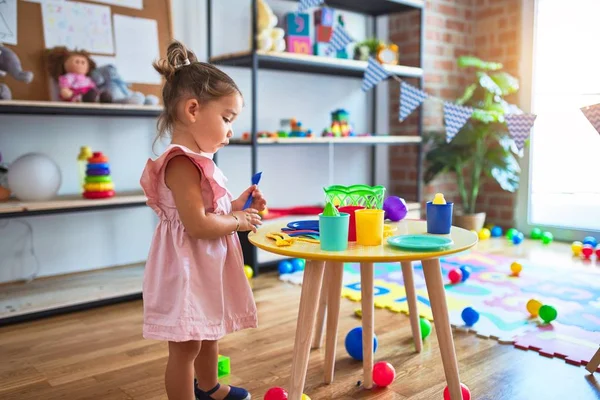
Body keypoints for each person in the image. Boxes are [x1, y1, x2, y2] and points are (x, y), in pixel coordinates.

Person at [140, 40, 266, 400]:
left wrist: (239, 205)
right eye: (227, 119)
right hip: (185, 269)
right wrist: (238, 221)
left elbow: (213, 211)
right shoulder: (180, 163)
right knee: (185, 347)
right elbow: (197, 224)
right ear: (193, 109)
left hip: (204, 265)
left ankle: (209, 387)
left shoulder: (202, 162)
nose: (231, 131)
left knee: (210, 331)